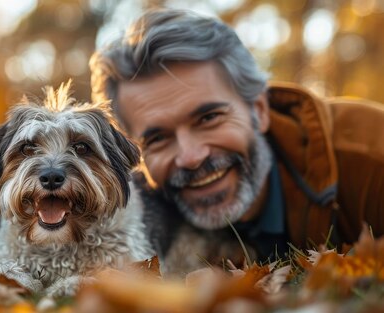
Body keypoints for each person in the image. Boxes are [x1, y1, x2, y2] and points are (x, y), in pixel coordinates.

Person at [90, 9, 384, 270]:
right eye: (157, 138)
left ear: (259, 109)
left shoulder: (371, 159)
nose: (191, 156)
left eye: (209, 118)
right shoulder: (127, 211)